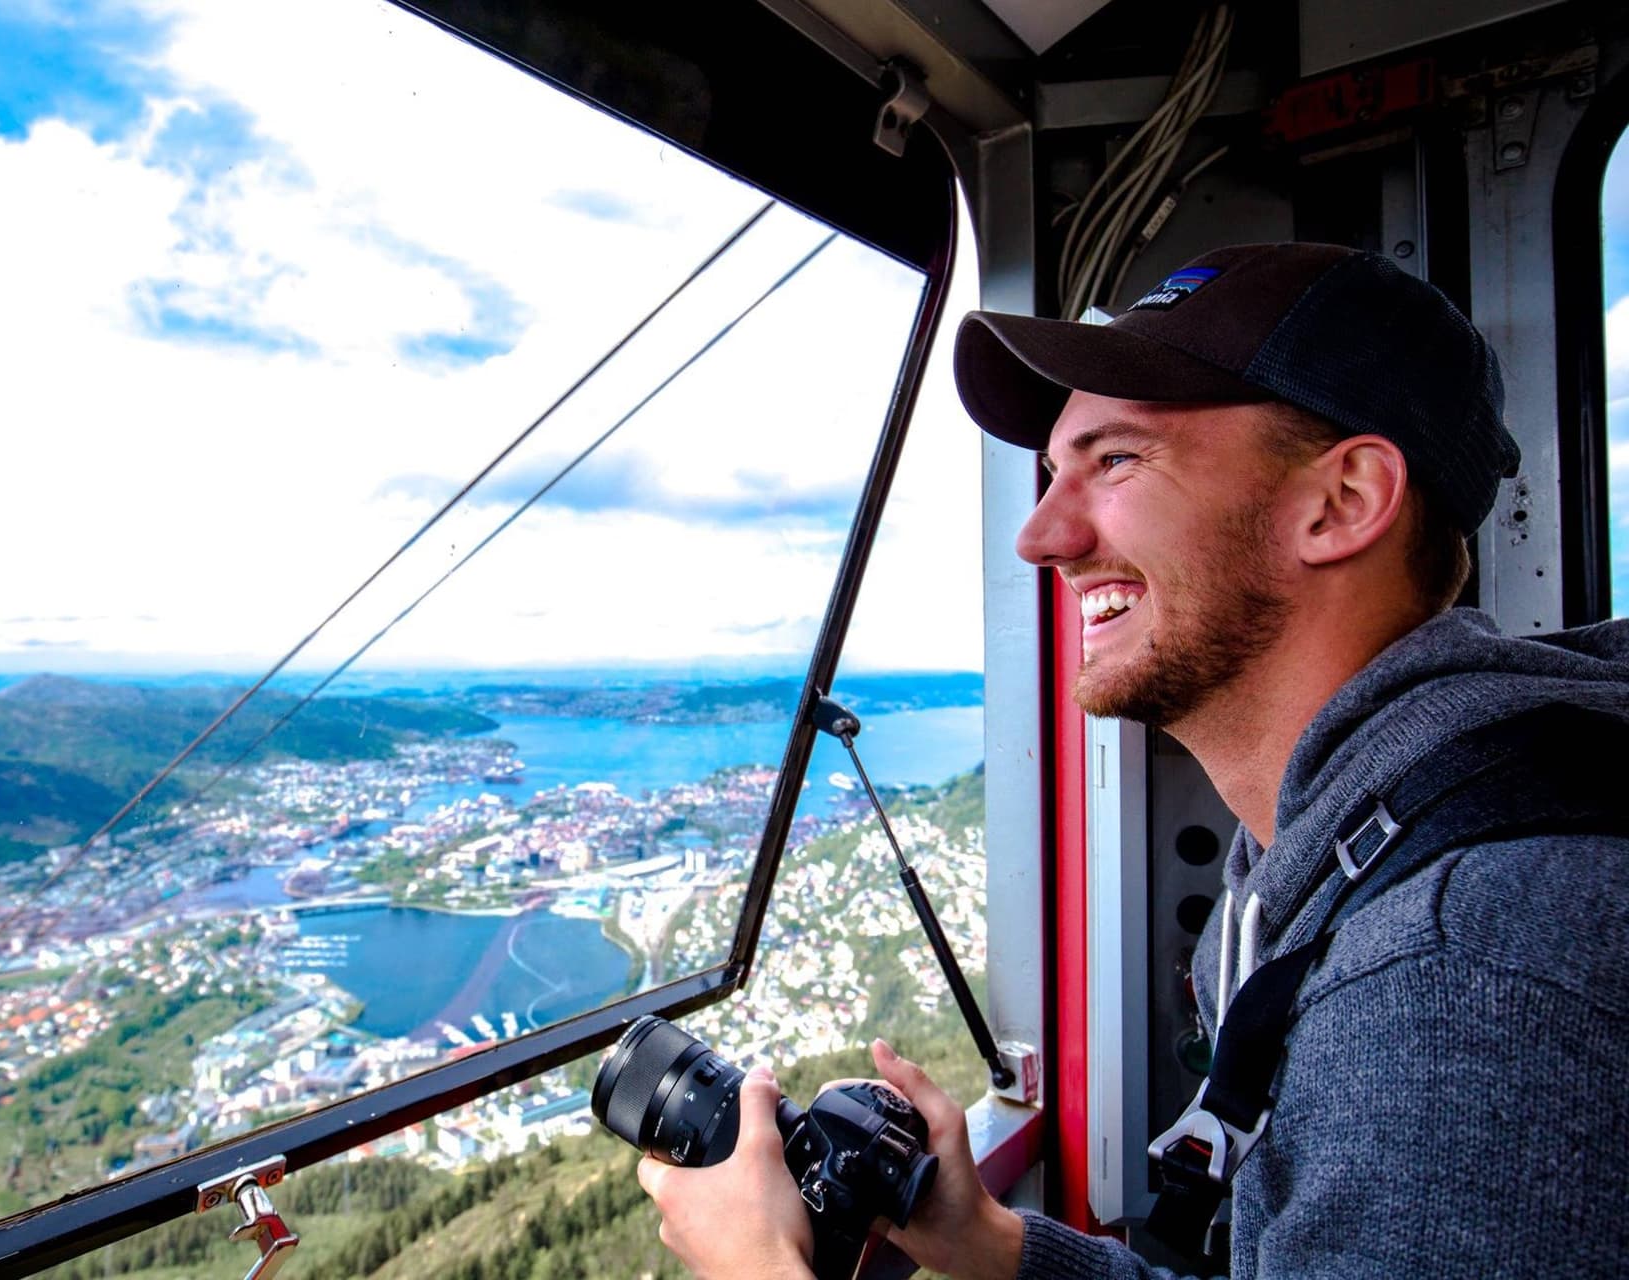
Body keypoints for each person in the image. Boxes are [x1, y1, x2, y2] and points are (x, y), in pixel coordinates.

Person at [637, 242, 1629, 1278]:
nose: (1039, 535)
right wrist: (991, 1242)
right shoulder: (1329, 857)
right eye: (1054, 470)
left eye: (1115, 460)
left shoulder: (1463, 972)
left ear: (1339, 502)